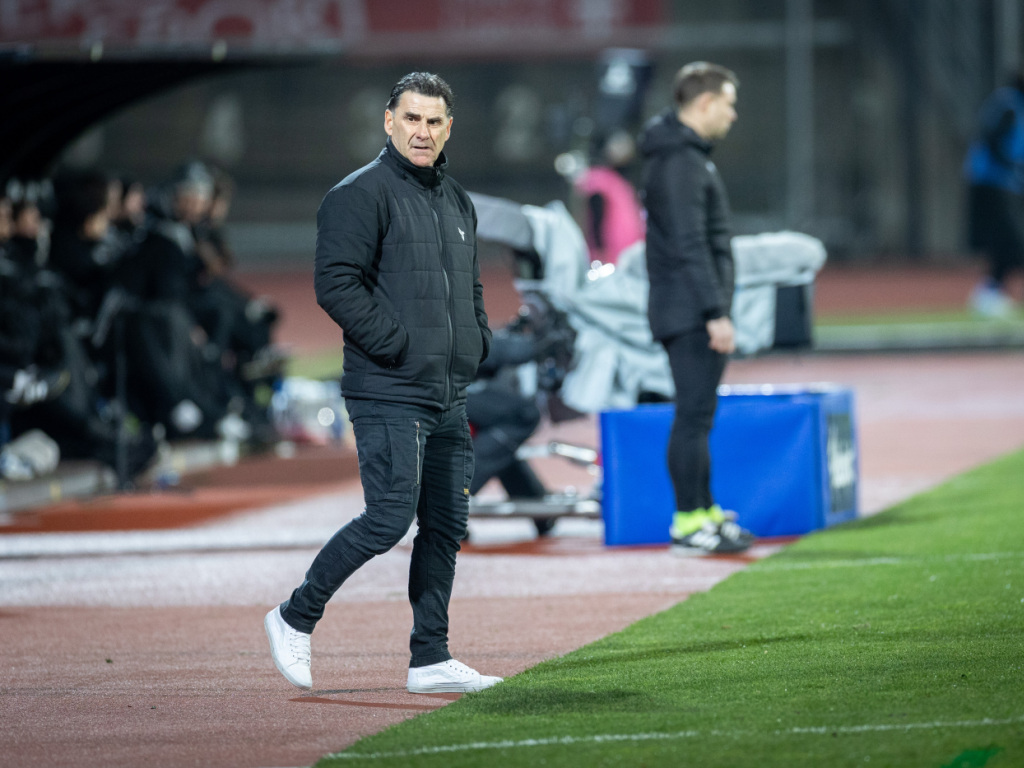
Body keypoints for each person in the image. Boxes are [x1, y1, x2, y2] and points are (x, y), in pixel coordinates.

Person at [264, 72, 500, 694]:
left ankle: (430, 657)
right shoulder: (358, 194)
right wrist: (400, 346)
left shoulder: (457, 199)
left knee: (445, 525)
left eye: (434, 121)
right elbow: (335, 285)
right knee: (389, 517)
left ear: (449, 128)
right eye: (412, 118)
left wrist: (476, 341)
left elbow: (471, 285)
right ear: (389, 121)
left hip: (447, 392)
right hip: (389, 387)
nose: (423, 131)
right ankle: (294, 615)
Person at [640, 61, 755, 555]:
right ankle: (688, 522)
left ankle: (705, 512)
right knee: (692, 418)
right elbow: (691, 244)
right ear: (705, 103)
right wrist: (714, 311)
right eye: (728, 104)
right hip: (688, 312)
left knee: (699, 417)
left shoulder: (685, 157)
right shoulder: (681, 162)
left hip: (689, 309)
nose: (733, 114)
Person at [963, 72, 1024, 318]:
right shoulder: (1009, 104)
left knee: (1007, 242)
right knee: (1010, 240)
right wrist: (1011, 166)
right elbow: (991, 138)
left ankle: (990, 290)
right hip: (991, 182)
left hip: (1005, 185)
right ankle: (989, 292)